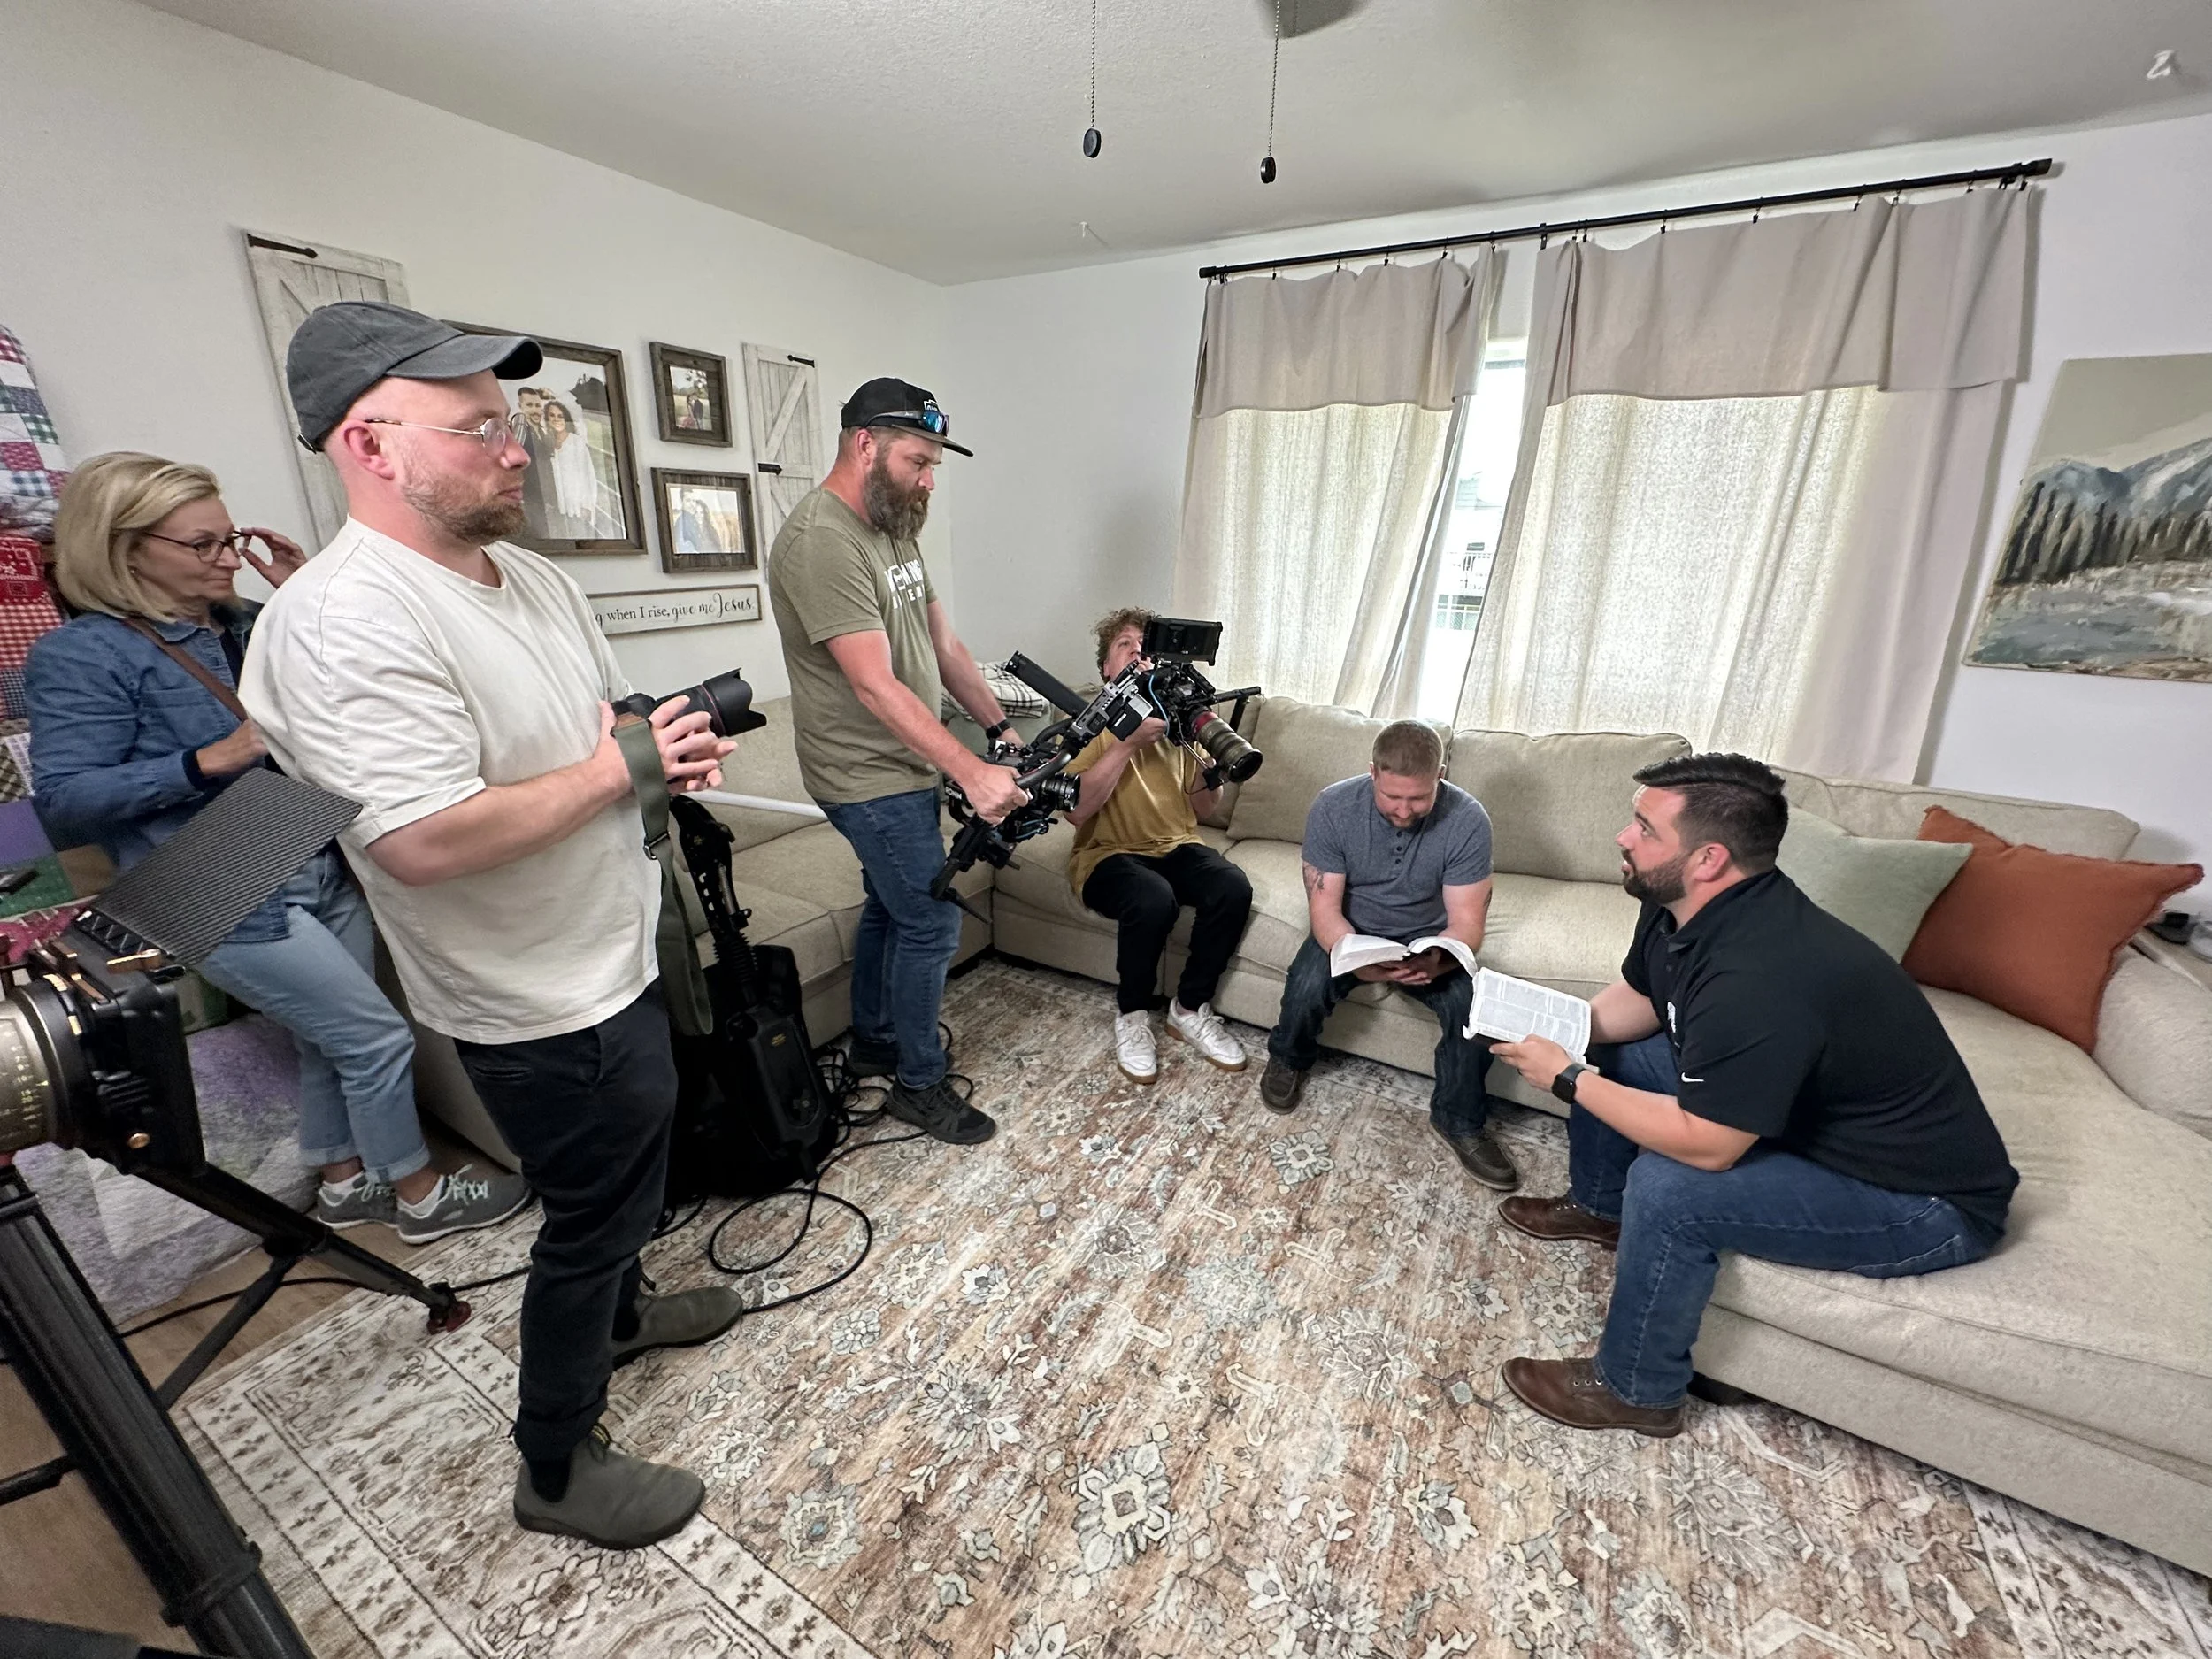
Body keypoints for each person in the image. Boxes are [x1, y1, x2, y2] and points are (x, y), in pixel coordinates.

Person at [241, 299, 740, 1551]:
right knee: (586, 1220)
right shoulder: (344, 618)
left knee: (631, 1188)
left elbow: (598, 713)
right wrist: (621, 767)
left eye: (514, 424)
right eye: (478, 429)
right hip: (531, 997)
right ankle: (558, 1464)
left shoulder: (530, 575)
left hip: (612, 949)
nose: (518, 449)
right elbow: (422, 836)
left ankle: (625, 1314)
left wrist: (655, 741)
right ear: (372, 443)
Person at [25, 451, 530, 1243]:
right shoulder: (83, 654)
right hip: (214, 885)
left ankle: (338, 1183)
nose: (229, 558)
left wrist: (299, 593)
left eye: (232, 538)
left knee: (326, 1040)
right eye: (204, 545)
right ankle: (422, 1195)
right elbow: (63, 802)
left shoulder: (249, 622)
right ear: (127, 550)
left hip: (309, 855)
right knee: (375, 1035)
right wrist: (205, 760)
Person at [1488, 753, 2019, 1436]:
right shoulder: (1677, 904)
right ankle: (1599, 1208)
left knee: (1668, 1189)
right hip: (1805, 1121)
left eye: (1644, 828)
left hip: (1921, 1199)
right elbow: (1644, 1000)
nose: (1623, 837)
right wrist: (1563, 1031)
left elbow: (1707, 1145)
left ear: (1708, 857)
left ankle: (1636, 1389)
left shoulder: (1763, 974)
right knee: (1612, 1048)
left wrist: (1566, 1077)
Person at [767, 377, 1025, 1145]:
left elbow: (943, 646)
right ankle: (917, 1082)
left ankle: (875, 1039)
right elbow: (875, 686)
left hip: (904, 765)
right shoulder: (822, 542)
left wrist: (998, 728)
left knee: (891, 905)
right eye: (920, 459)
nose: (929, 478)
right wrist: (971, 772)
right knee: (932, 923)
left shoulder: (894, 524)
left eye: (935, 463)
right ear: (864, 444)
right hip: (863, 774)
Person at [1260, 721, 1517, 1191]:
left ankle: (1459, 1119)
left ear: (1440, 775)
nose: (1404, 810)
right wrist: (1355, 956)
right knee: (1306, 984)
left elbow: (1466, 922)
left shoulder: (1468, 818)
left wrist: (1438, 959)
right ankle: (1288, 1057)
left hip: (1429, 937)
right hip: (1353, 930)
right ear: (1372, 772)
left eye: (1418, 798)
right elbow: (1324, 909)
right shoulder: (1333, 806)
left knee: (1472, 1008)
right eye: (1393, 797)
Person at [1065, 606, 1253, 1083]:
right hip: (1107, 853)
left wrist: (1214, 772)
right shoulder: (1090, 724)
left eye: (1145, 646)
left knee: (1232, 887)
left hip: (1174, 844)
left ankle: (1188, 1010)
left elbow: (1204, 811)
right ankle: (1131, 1016)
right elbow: (1076, 811)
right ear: (1106, 667)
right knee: (1152, 899)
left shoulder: (1177, 721)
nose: (1138, 653)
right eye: (1125, 646)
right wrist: (1127, 742)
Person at [542, 398, 611, 537]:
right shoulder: (547, 443)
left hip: (577, 507)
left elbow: (588, 474)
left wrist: (587, 504)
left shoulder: (575, 442)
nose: (556, 419)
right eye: (552, 415)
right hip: (558, 507)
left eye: (560, 416)